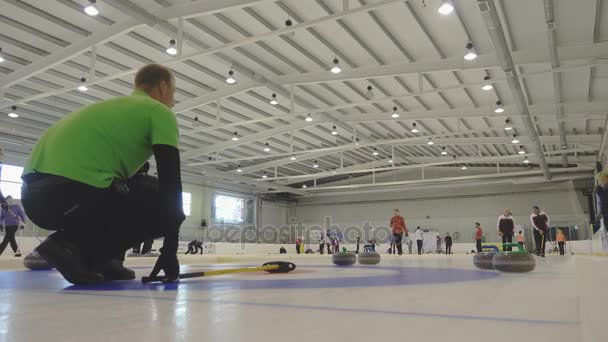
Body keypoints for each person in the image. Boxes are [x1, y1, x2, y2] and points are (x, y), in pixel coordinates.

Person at [20, 64, 185, 285]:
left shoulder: (111, 109)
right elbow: (171, 185)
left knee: (132, 184)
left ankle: (101, 259)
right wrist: (169, 251)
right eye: (173, 94)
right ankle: (66, 246)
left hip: (34, 197)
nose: (172, 101)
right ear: (163, 87)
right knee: (157, 196)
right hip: (70, 192)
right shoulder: (159, 112)